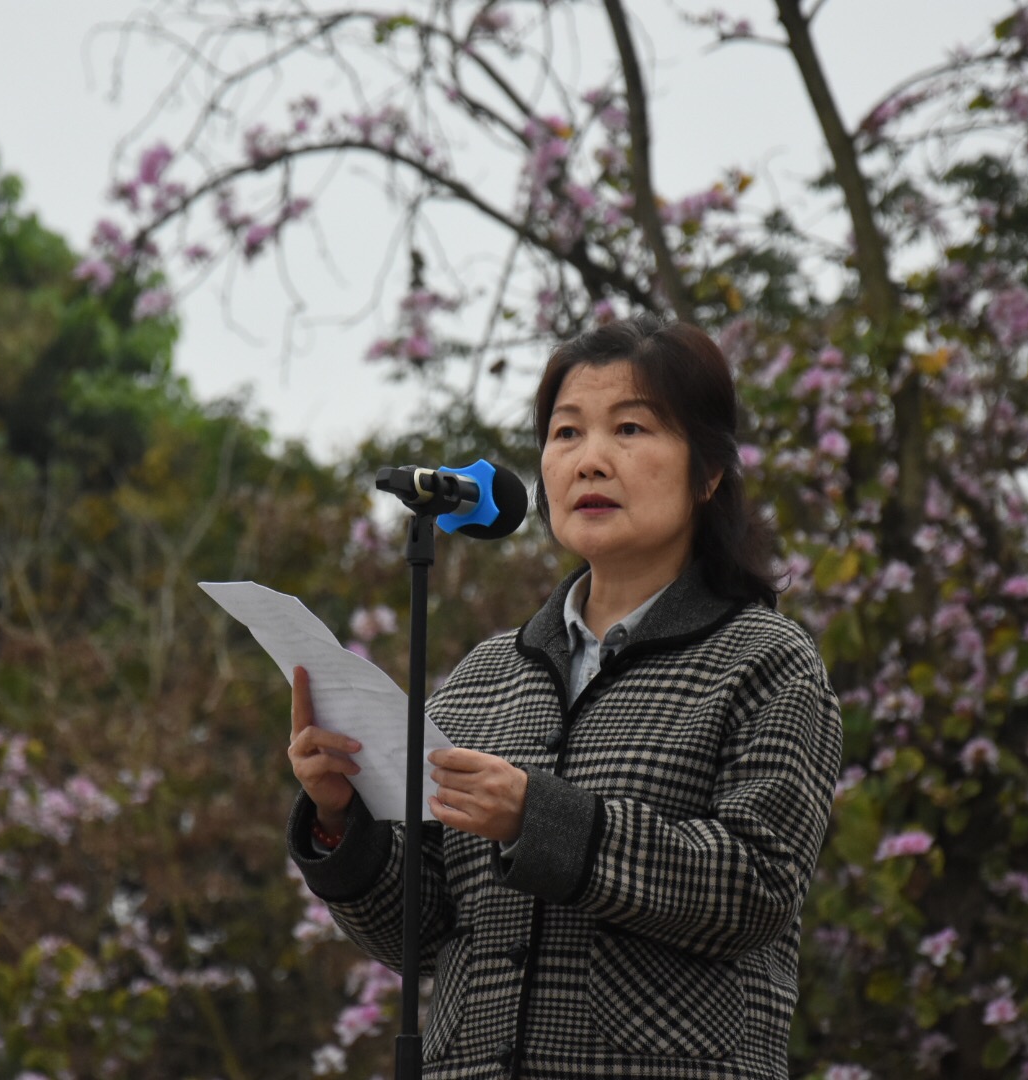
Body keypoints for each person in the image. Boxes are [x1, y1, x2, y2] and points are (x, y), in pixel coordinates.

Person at [286, 313, 843, 1079]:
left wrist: (538, 819)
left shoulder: (766, 662)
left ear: (709, 472)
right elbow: (422, 932)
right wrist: (339, 821)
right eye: (567, 433)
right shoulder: (485, 677)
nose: (591, 460)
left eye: (631, 429)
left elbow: (757, 887)